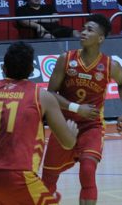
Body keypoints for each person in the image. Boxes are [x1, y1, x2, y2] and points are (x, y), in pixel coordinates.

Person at [0, 41, 79, 205]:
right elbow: (67, 143)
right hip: (17, 175)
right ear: (32, 70)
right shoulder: (42, 97)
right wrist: (72, 134)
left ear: (3, 68)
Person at [42, 14, 122, 204]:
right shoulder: (65, 59)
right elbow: (50, 94)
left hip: (91, 126)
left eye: (89, 30)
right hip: (63, 125)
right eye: (84, 28)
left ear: (100, 39)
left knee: (87, 171)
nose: (83, 32)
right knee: (48, 179)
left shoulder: (111, 65)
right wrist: (76, 108)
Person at [16, 0, 80, 39]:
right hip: (40, 31)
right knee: (49, 37)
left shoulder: (49, 7)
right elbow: (23, 21)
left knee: (76, 34)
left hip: (57, 29)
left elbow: (55, 18)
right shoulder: (22, 9)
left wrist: (37, 20)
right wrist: (38, 26)